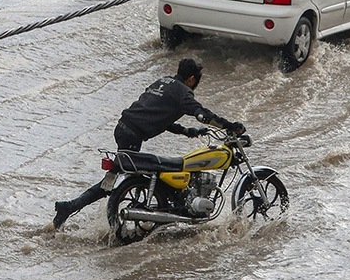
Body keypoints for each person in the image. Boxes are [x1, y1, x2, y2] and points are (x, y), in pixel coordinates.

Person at [52, 57, 245, 230]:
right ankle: (70, 206)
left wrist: (188, 131)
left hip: (123, 128)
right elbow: (202, 114)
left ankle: (71, 206)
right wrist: (230, 126)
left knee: (115, 176)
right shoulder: (184, 92)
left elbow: (157, 116)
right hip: (133, 134)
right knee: (117, 178)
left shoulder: (162, 82)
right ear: (192, 80)